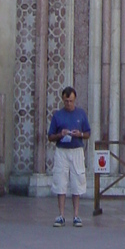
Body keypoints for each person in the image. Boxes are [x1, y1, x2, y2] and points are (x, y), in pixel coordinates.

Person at [48, 86, 92, 227]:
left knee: (77, 181)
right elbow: (50, 136)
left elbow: (88, 133)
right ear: (63, 100)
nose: (68, 103)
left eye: (71, 101)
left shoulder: (81, 114)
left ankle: (76, 215)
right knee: (61, 181)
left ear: (75, 100)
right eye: (66, 101)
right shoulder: (58, 115)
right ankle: (61, 215)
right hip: (62, 150)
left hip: (76, 150)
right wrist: (60, 135)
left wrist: (80, 134)